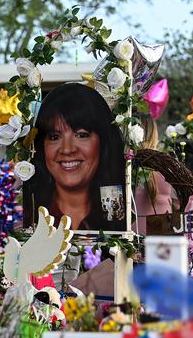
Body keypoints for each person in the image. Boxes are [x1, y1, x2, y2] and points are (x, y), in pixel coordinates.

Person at [25, 83, 126, 231]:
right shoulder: (26, 215)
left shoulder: (122, 214)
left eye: (81, 135)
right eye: (54, 137)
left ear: (103, 142)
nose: (67, 149)